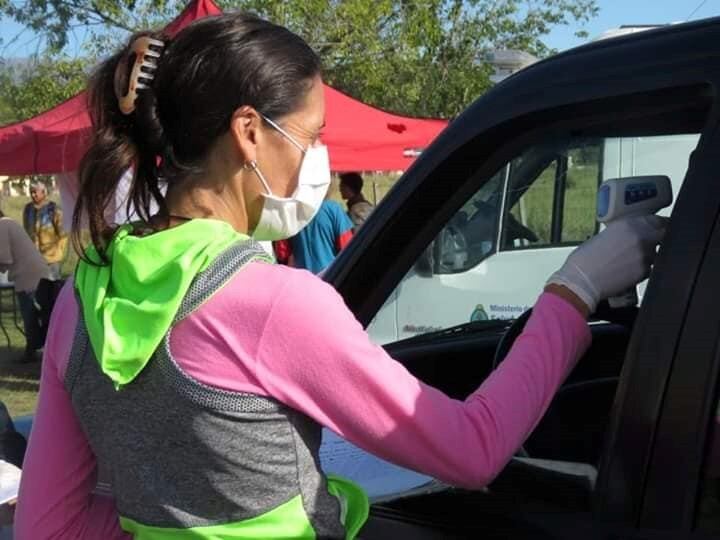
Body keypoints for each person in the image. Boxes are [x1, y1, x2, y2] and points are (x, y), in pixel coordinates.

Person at [15, 13, 665, 540]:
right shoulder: (274, 301)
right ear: (249, 132)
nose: (314, 158)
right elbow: (474, 449)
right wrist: (575, 288)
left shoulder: (82, 293)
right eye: (309, 134)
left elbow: (48, 525)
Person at [0, 211, 51, 362]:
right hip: (34, 273)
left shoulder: (2, 225)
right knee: (34, 316)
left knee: (31, 316)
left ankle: (33, 351)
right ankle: (34, 350)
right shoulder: (8, 222)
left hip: (29, 276)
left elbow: (5, 259)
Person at [283, 198, 353, 273]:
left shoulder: (289, 213)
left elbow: (283, 253)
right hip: (330, 275)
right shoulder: (333, 209)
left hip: (301, 278)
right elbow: (348, 248)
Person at [22, 182, 67, 281]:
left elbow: (63, 234)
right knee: (38, 289)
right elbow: (26, 232)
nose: (33, 195)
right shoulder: (27, 209)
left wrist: (58, 253)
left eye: (35, 192)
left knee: (53, 288)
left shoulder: (53, 209)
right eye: (31, 192)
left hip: (52, 259)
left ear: (43, 192)